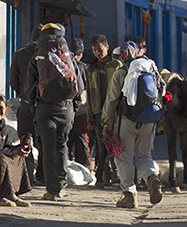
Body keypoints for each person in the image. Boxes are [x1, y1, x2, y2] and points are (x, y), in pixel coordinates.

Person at [25, 23, 84, 201]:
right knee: (62, 145)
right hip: (66, 108)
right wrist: (73, 107)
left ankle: (52, 190)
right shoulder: (68, 55)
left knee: (49, 147)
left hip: (45, 108)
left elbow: (29, 87)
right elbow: (79, 86)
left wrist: (34, 107)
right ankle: (62, 185)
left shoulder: (37, 55)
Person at [101, 41, 163, 208]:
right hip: (149, 120)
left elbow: (112, 100)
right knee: (144, 155)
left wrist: (106, 123)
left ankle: (129, 196)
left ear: (123, 56)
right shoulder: (152, 70)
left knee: (124, 157)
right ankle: (151, 177)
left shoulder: (121, 73)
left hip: (127, 120)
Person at [0, 93, 33, 207]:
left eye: (1, 108)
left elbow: (6, 145)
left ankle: (11, 194)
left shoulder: (2, 123)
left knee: (19, 156)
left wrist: (20, 147)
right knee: (0, 158)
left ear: (6, 109)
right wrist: (14, 151)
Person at [9, 23, 43, 185]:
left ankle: (29, 174)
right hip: (45, 106)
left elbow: (13, 81)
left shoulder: (19, 54)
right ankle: (44, 174)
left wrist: (23, 93)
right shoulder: (49, 54)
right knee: (44, 139)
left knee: (26, 138)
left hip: (26, 103)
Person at [86, 34, 120, 188]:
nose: (97, 53)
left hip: (116, 111)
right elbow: (89, 95)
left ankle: (117, 175)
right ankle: (102, 177)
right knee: (102, 146)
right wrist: (89, 118)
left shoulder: (116, 65)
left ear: (107, 47)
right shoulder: (91, 69)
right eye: (94, 50)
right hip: (98, 112)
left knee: (117, 144)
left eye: (99, 49)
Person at [67, 38, 92, 169]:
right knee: (82, 139)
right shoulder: (83, 67)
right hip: (81, 110)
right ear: (81, 53)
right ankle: (86, 168)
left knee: (66, 141)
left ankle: (65, 167)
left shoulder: (64, 65)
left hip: (65, 110)